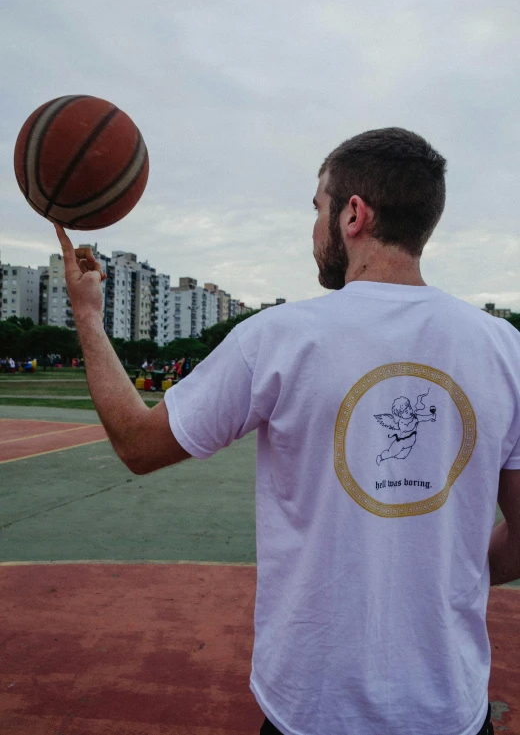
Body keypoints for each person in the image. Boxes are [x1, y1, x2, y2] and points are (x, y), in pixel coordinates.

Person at [53, 126, 520, 735]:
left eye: (318, 208)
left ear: (353, 214)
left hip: (313, 706)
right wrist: (448, 568)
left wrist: (88, 315)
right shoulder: (504, 349)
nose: (313, 228)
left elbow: (138, 445)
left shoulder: (278, 337)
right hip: (448, 707)